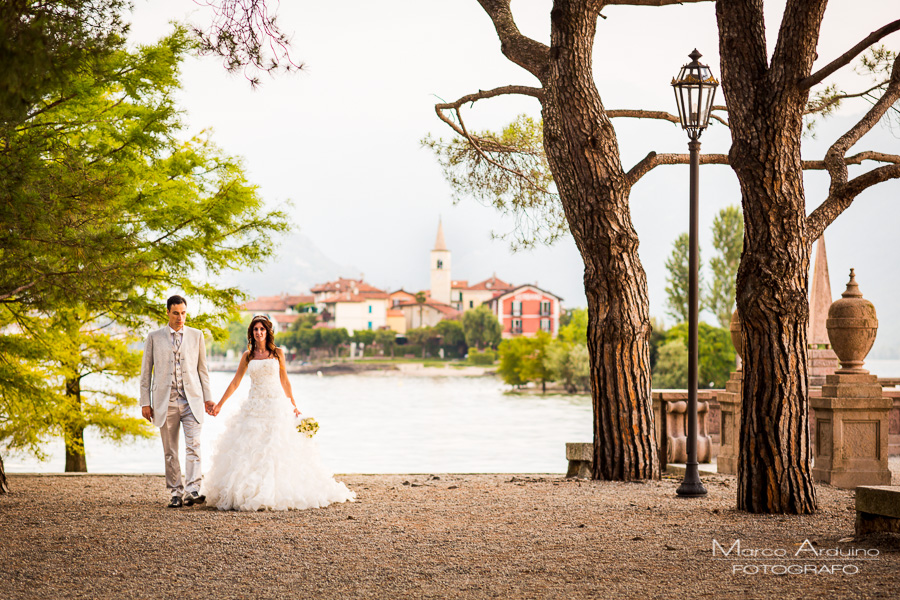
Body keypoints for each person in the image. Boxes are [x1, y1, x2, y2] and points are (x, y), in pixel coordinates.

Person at [203, 314, 355, 511]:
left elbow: (285, 381)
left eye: (262, 329)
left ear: (268, 332)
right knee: (249, 448)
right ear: (252, 333)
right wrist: (220, 404)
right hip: (254, 406)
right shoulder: (247, 356)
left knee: (276, 446)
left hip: (276, 404)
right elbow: (235, 382)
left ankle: (278, 490)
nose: (259, 333)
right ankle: (248, 490)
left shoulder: (277, 353)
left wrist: (293, 405)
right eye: (256, 329)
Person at [139, 295, 215, 508]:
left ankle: (192, 489)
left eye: (183, 313)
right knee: (170, 450)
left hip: (193, 400)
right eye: (176, 313)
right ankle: (175, 492)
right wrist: (145, 402)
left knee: (194, 445)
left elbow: (203, 369)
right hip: (166, 401)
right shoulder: (154, 337)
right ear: (167, 313)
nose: (180, 317)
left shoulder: (196, 335)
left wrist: (208, 399)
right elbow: (146, 373)